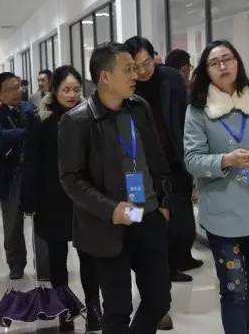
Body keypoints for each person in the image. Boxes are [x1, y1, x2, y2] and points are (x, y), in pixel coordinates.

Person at [59, 43, 172, 334]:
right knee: (118, 309)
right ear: (105, 77)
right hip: (107, 227)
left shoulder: (139, 107)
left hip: (147, 216)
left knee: (159, 300)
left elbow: (156, 157)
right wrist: (111, 210)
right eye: (128, 69)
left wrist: (163, 202)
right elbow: (71, 179)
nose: (136, 74)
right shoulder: (76, 121)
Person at [183, 40, 249, 334]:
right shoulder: (197, 110)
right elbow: (192, 160)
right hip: (223, 218)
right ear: (206, 71)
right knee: (234, 290)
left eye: (228, 59)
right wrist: (227, 160)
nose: (223, 66)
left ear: (238, 62)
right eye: (214, 62)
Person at [21, 65, 101, 333]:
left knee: (89, 256)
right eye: (66, 89)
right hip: (52, 197)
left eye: (76, 89)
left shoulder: (89, 115)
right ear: (54, 90)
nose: (71, 94)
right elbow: (30, 161)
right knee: (57, 258)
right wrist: (29, 198)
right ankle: (64, 310)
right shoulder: (40, 119)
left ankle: (94, 309)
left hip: (84, 197)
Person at [125, 37, 201, 285]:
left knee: (183, 215)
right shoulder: (127, 86)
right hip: (145, 165)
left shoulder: (171, 79)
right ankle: (165, 267)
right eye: (136, 66)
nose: (143, 71)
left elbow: (184, 116)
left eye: (147, 63)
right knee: (156, 217)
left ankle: (181, 257)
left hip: (175, 156)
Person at [0, 72, 36, 279]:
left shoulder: (31, 109)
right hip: (11, 174)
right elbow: (0, 137)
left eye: (18, 87)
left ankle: (45, 263)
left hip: (35, 171)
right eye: (10, 89)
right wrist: (27, 132)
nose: (16, 92)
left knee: (43, 221)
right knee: (12, 224)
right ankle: (16, 265)